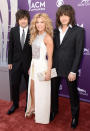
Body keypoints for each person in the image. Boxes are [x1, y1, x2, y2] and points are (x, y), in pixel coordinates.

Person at [50, 5, 85, 129]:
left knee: (73, 94)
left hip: (70, 69)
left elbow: (79, 52)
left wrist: (73, 71)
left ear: (71, 16)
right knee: (53, 91)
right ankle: (54, 111)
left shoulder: (79, 31)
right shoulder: (53, 31)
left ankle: (75, 116)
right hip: (54, 67)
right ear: (58, 17)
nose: (64, 18)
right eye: (61, 15)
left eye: (66, 15)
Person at [25, 13, 53, 124]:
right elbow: (34, 54)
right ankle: (33, 106)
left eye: (42, 22)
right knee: (32, 86)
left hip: (43, 66)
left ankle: (42, 114)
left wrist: (48, 72)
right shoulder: (35, 36)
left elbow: (50, 58)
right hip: (34, 65)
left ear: (46, 23)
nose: (39, 24)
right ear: (34, 24)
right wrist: (30, 67)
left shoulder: (48, 38)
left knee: (42, 91)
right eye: (37, 22)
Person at [7, 9, 32, 115]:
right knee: (14, 84)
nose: (23, 21)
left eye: (25, 19)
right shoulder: (13, 30)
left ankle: (28, 105)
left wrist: (32, 65)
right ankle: (15, 104)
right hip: (15, 63)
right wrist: (10, 62)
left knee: (29, 86)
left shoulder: (33, 30)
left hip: (29, 64)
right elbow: (10, 47)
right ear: (18, 20)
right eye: (21, 19)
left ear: (28, 20)